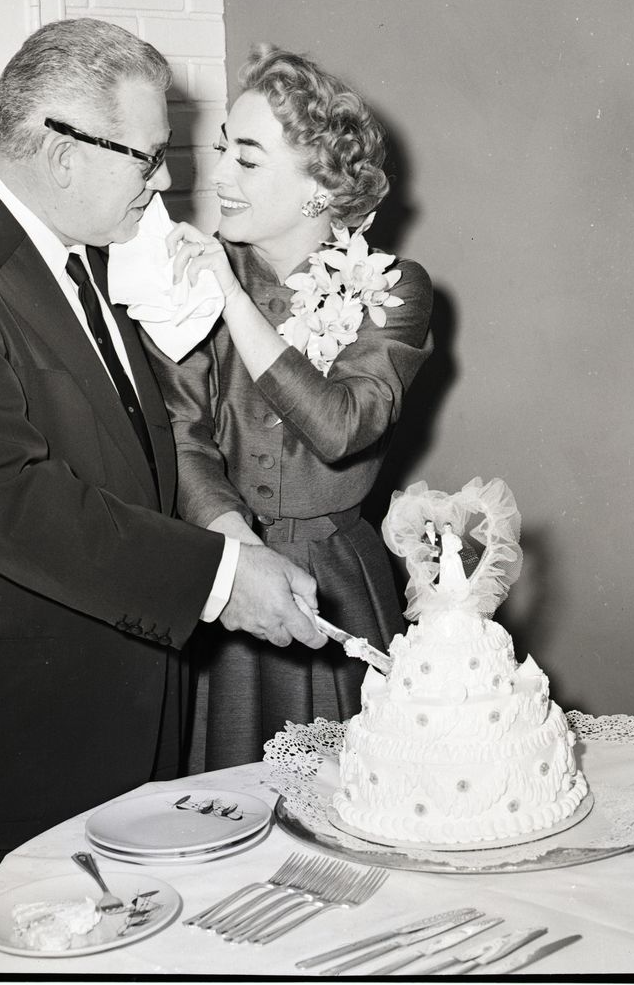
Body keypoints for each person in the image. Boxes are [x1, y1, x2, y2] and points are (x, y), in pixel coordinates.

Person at [0, 19, 325, 973]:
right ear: (64, 151)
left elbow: (139, 461)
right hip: (2, 741)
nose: (164, 184)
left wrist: (225, 532)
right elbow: (19, 504)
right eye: (148, 157)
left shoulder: (93, 262)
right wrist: (226, 579)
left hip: (121, 722)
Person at [147, 45, 434, 770]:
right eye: (222, 152)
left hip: (340, 587)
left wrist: (235, 304)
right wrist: (239, 557)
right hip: (226, 579)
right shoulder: (188, 276)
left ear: (317, 187)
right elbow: (181, 437)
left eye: (246, 159)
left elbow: (341, 426)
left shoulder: (395, 288)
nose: (216, 177)